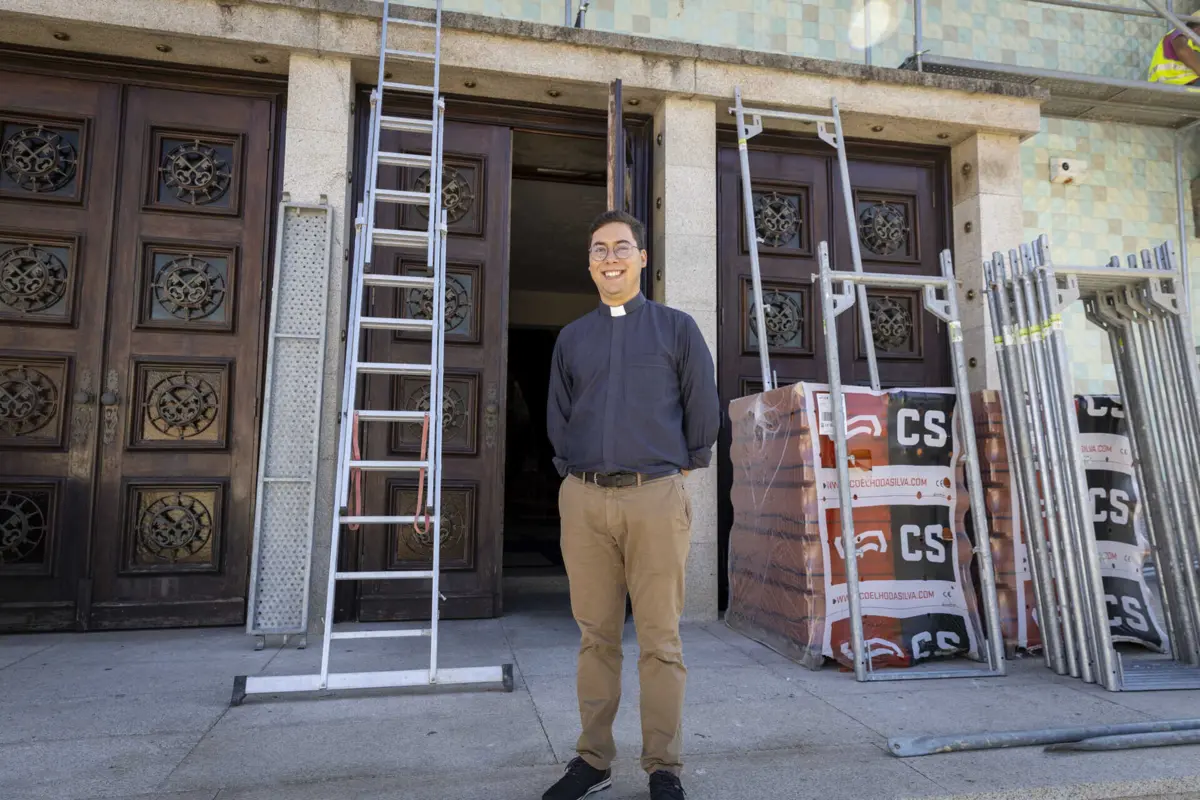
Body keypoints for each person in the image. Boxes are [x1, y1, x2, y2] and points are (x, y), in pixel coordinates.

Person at [542, 210, 719, 800]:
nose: (610, 258)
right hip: (584, 501)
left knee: (660, 638)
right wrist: (573, 475)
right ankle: (592, 760)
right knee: (596, 637)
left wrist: (679, 469)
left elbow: (702, 408)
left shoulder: (676, 328)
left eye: (622, 247)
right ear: (589, 263)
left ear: (644, 258)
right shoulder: (573, 338)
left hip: (654, 498)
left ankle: (663, 767)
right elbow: (558, 417)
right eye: (599, 250)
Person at [1147, 13, 1200, 85]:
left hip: (1187, 84)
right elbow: (1183, 51)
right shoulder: (1180, 33)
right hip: (1169, 84)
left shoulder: (1196, 46)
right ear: (1197, 28)